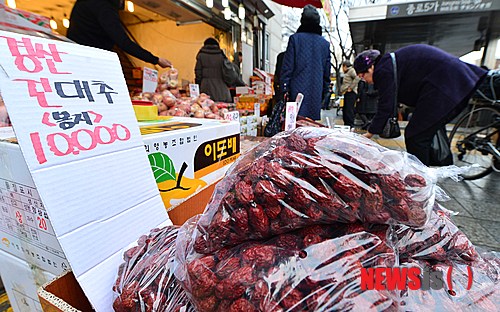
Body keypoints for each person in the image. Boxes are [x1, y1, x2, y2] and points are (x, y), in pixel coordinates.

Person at [353, 44, 488, 166]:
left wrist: (370, 133)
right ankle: (441, 167)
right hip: (451, 83)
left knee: (416, 135)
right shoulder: (388, 64)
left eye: (362, 75)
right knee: (425, 130)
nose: (363, 80)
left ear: (371, 68)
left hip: (445, 85)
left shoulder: (383, 70)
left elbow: (385, 105)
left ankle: (421, 180)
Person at [67, 0, 171, 68]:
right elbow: (123, 42)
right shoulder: (104, 7)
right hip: (90, 62)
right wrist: (156, 60)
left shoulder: (85, 3)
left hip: (75, 57)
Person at [280, 4, 331, 121]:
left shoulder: (295, 39)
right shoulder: (324, 44)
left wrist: (284, 89)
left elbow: (287, 68)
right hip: (315, 92)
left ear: (302, 21)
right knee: (311, 126)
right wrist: (324, 92)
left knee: (295, 124)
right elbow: (326, 74)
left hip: (297, 92)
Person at [194, 38, 232, 103]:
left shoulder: (201, 55)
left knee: (207, 110)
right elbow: (228, 72)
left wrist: (198, 84)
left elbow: (198, 73)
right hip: (222, 89)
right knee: (222, 109)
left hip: (206, 88)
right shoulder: (221, 55)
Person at [340, 61, 360, 127]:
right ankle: (347, 124)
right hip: (346, 92)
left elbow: (357, 78)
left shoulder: (351, 70)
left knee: (349, 109)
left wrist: (351, 88)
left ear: (345, 66)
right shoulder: (348, 72)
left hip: (351, 93)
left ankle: (350, 124)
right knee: (346, 109)